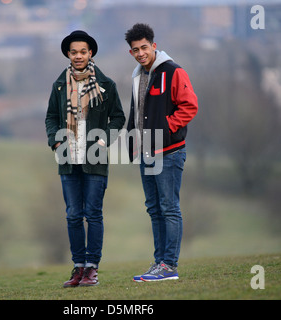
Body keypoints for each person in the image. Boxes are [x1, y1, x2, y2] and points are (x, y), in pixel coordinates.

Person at [45, 30, 125, 287]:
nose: (78, 56)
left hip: (94, 159)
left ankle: (92, 268)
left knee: (93, 214)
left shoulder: (107, 84)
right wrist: (56, 141)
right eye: (73, 52)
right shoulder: (59, 85)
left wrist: (103, 141)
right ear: (68, 55)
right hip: (68, 159)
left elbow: (118, 118)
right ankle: (78, 267)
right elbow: (51, 118)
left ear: (90, 53)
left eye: (83, 51)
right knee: (72, 215)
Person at [124, 23, 198, 281]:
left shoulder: (173, 71)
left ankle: (169, 267)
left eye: (144, 47)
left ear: (154, 46)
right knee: (154, 209)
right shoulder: (138, 75)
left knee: (169, 208)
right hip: (145, 153)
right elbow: (137, 112)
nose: (141, 53)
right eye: (135, 49)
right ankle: (159, 264)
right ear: (131, 52)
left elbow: (189, 106)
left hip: (169, 152)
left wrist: (166, 128)